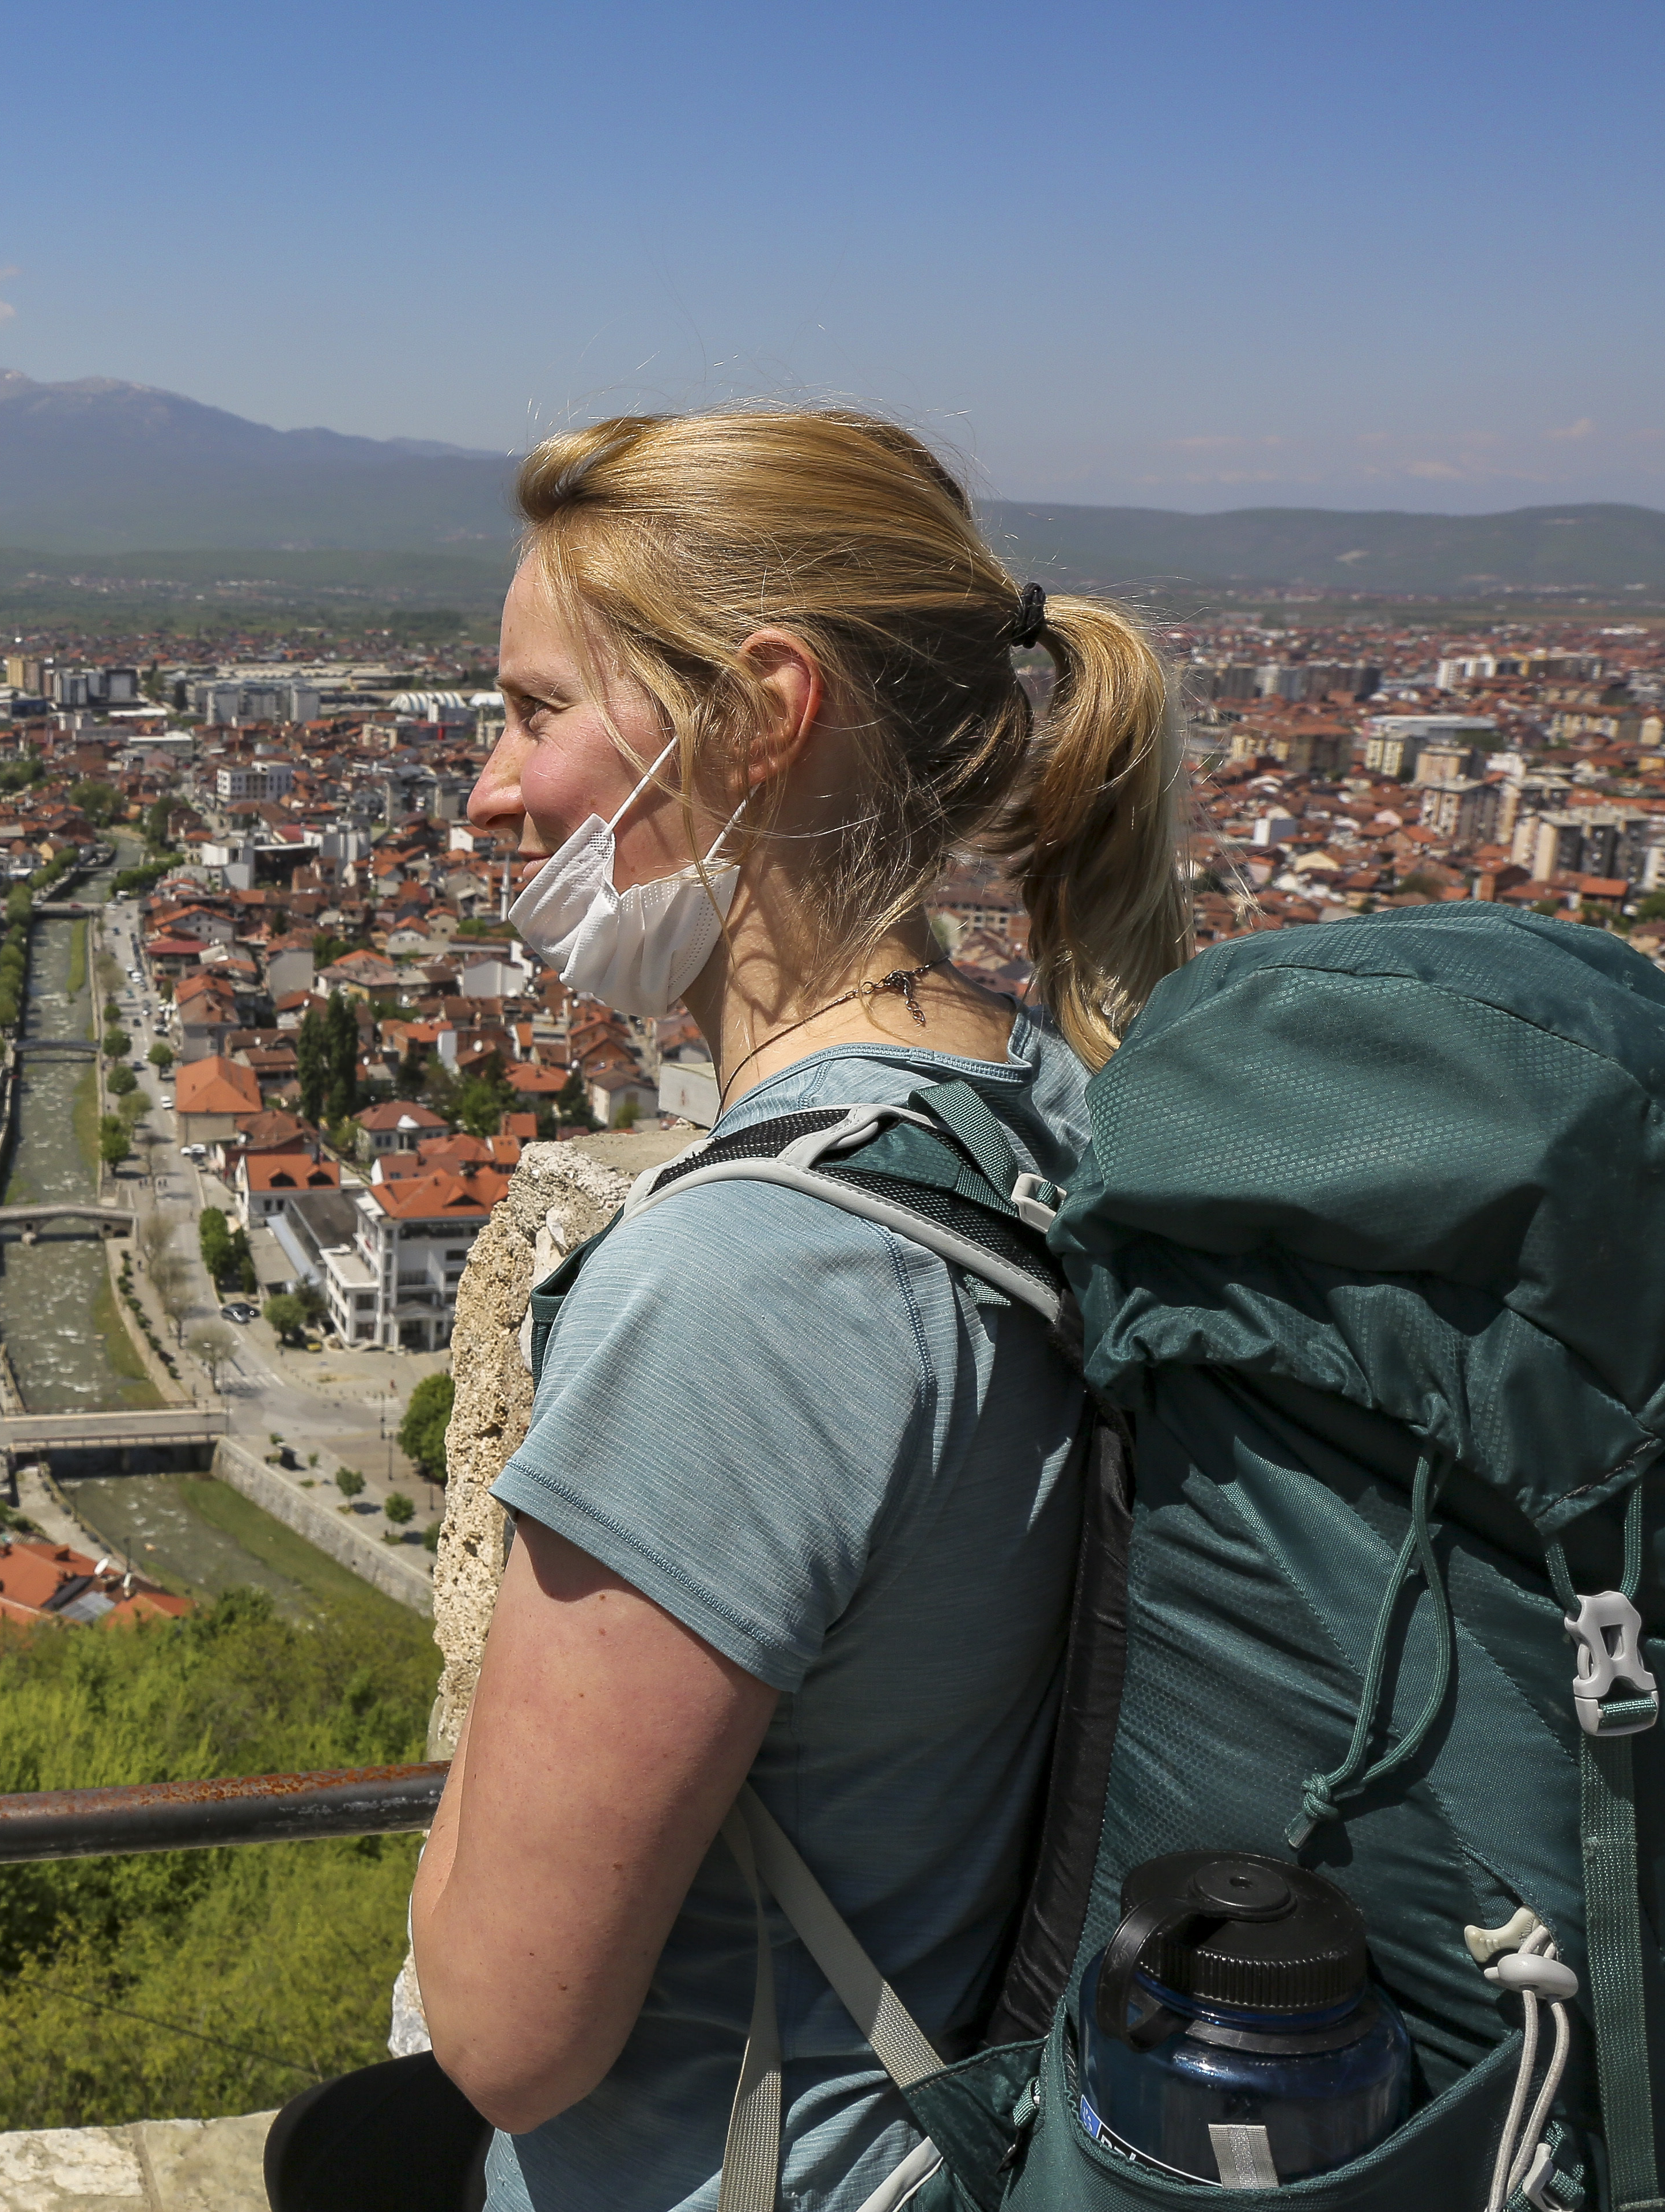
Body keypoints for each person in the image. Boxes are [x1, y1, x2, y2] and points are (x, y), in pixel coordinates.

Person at [410, 407, 1187, 2210]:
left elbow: (505, 2030)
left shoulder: (746, 1281)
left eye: (534, 711)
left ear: (761, 713)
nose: (486, 788)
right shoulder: (1035, 1097)